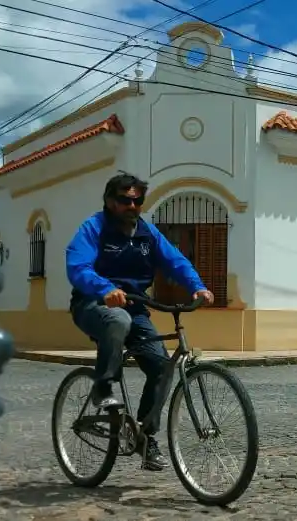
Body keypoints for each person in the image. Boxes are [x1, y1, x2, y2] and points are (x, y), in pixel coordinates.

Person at [65, 173, 215, 471]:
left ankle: (146, 438)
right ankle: (102, 388)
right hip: (92, 303)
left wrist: (197, 285)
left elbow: (175, 261)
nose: (132, 205)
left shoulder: (147, 233)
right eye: (124, 200)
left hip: (135, 307)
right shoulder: (94, 228)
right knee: (117, 319)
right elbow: (77, 266)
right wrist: (104, 289)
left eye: (137, 200)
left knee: (162, 366)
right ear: (109, 201)